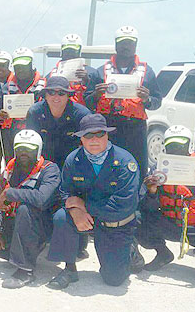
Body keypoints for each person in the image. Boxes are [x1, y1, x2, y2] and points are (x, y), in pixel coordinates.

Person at [47, 114, 143, 289]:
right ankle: (69, 269)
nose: (94, 140)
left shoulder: (124, 162)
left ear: (107, 135)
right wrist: (75, 212)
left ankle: (130, 250)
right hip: (88, 218)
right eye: (88, 135)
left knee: (113, 279)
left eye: (99, 134)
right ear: (81, 138)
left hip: (115, 224)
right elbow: (64, 192)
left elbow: (124, 204)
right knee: (62, 217)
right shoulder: (73, 160)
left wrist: (84, 207)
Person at [0, 130, 61, 288]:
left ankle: (25, 269)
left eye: (29, 149)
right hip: (14, 222)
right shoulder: (10, 169)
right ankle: (23, 253)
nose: (24, 153)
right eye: (20, 149)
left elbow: (42, 199)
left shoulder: (50, 170)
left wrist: (11, 193)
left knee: (25, 209)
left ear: (38, 150)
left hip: (40, 224)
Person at [137, 125, 195, 276]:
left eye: (180, 145)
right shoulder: (157, 170)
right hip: (172, 224)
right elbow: (146, 207)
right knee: (138, 221)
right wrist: (151, 192)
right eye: (172, 145)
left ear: (189, 145)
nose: (176, 148)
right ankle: (163, 253)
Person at [88, 26, 161, 170]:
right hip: (108, 125)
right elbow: (88, 101)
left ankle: (137, 193)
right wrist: (96, 94)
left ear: (135, 45)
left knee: (136, 166)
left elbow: (157, 101)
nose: (126, 46)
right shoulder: (101, 71)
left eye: (130, 43)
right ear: (116, 45)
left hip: (135, 127)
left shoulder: (147, 72)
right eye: (122, 43)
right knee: (107, 166)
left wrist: (147, 99)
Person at [0, 47, 46, 163]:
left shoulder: (43, 86)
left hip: (37, 132)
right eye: (17, 67)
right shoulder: (6, 88)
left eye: (24, 66)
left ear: (31, 65)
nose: (20, 70)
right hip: (11, 134)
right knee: (12, 164)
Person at [26, 76, 91, 168]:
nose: (56, 97)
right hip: (43, 164)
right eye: (51, 92)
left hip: (73, 163)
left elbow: (90, 143)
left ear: (68, 95)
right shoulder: (35, 112)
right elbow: (29, 143)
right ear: (45, 95)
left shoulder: (82, 115)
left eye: (61, 93)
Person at [46, 34, 97, 106]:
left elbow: (95, 98)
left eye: (73, 51)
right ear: (62, 51)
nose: (70, 54)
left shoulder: (92, 73)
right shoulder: (52, 74)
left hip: (81, 113)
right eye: (67, 51)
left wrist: (87, 81)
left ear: (79, 51)